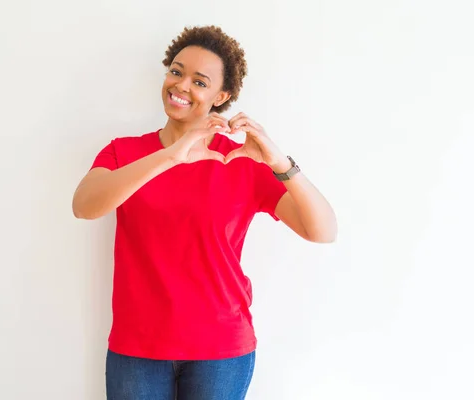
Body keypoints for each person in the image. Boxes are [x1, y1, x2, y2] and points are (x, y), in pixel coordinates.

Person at [72, 25, 337, 400]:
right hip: (137, 348)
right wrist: (169, 157)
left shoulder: (241, 160)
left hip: (221, 350)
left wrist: (280, 162)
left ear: (221, 95)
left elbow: (323, 230)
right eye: (176, 72)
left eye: (200, 81)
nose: (181, 86)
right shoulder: (124, 152)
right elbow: (84, 205)